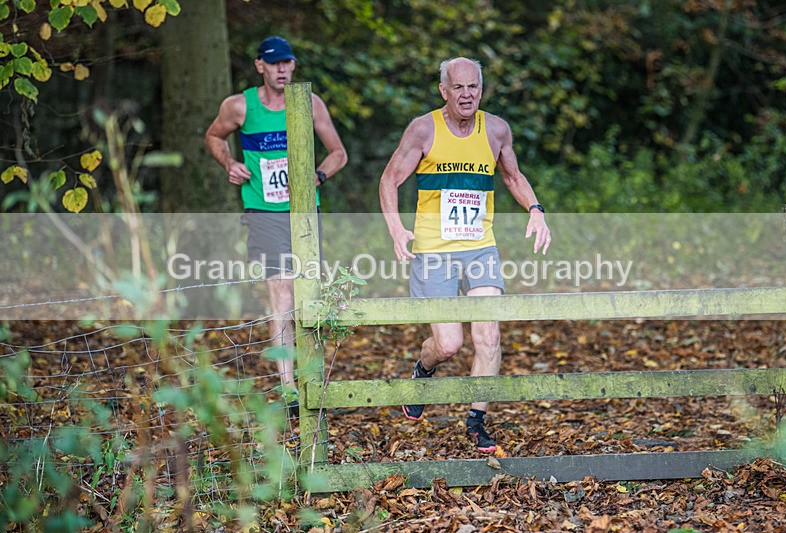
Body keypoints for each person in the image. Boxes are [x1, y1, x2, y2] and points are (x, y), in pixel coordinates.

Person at [378, 57, 551, 453]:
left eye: (473, 86)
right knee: (449, 345)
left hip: (479, 247)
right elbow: (389, 178)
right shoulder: (423, 129)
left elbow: (512, 176)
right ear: (444, 91)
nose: (467, 94)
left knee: (488, 335)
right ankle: (423, 369)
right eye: (458, 87)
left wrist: (536, 211)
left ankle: (476, 422)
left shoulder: (496, 130)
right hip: (434, 249)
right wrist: (395, 228)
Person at [205, 36, 347, 416]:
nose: (282, 70)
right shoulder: (240, 106)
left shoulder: (309, 103)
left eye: (288, 62)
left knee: (309, 296)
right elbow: (214, 136)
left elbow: (339, 153)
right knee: (282, 295)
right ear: (260, 66)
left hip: (304, 210)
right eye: (275, 63)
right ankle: (289, 391)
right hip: (263, 211)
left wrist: (316, 177)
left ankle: (313, 379)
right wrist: (229, 165)